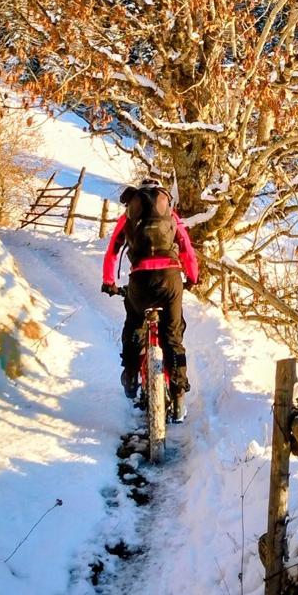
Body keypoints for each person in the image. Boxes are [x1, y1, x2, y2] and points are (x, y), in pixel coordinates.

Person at [101, 180, 199, 422]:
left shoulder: (129, 216)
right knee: (173, 336)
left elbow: (113, 250)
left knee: (134, 324)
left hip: (140, 280)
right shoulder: (171, 217)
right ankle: (178, 395)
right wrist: (192, 278)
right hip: (170, 279)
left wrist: (109, 282)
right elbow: (186, 249)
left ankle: (131, 376)